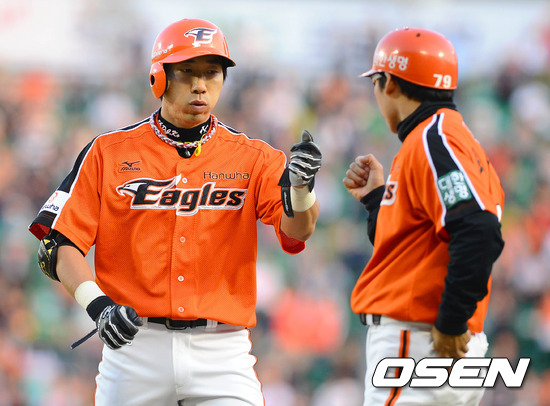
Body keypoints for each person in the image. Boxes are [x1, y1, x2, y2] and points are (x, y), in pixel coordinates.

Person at [29, 18, 321, 406]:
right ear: (159, 77)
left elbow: (298, 232)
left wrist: (300, 189)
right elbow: (57, 246)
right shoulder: (108, 152)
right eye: (187, 72)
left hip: (222, 351)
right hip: (135, 347)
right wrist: (98, 307)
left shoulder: (255, 157)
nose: (201, 85)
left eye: (212, 72)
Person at [343, 27, 505, 405]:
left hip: (418, 340)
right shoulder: (443, 138)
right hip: (430, 341)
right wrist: (376, 201)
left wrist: (451, 320)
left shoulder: (434, 139)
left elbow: (479, 230)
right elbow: (407, 251)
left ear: (389, 83)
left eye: (376, 82)